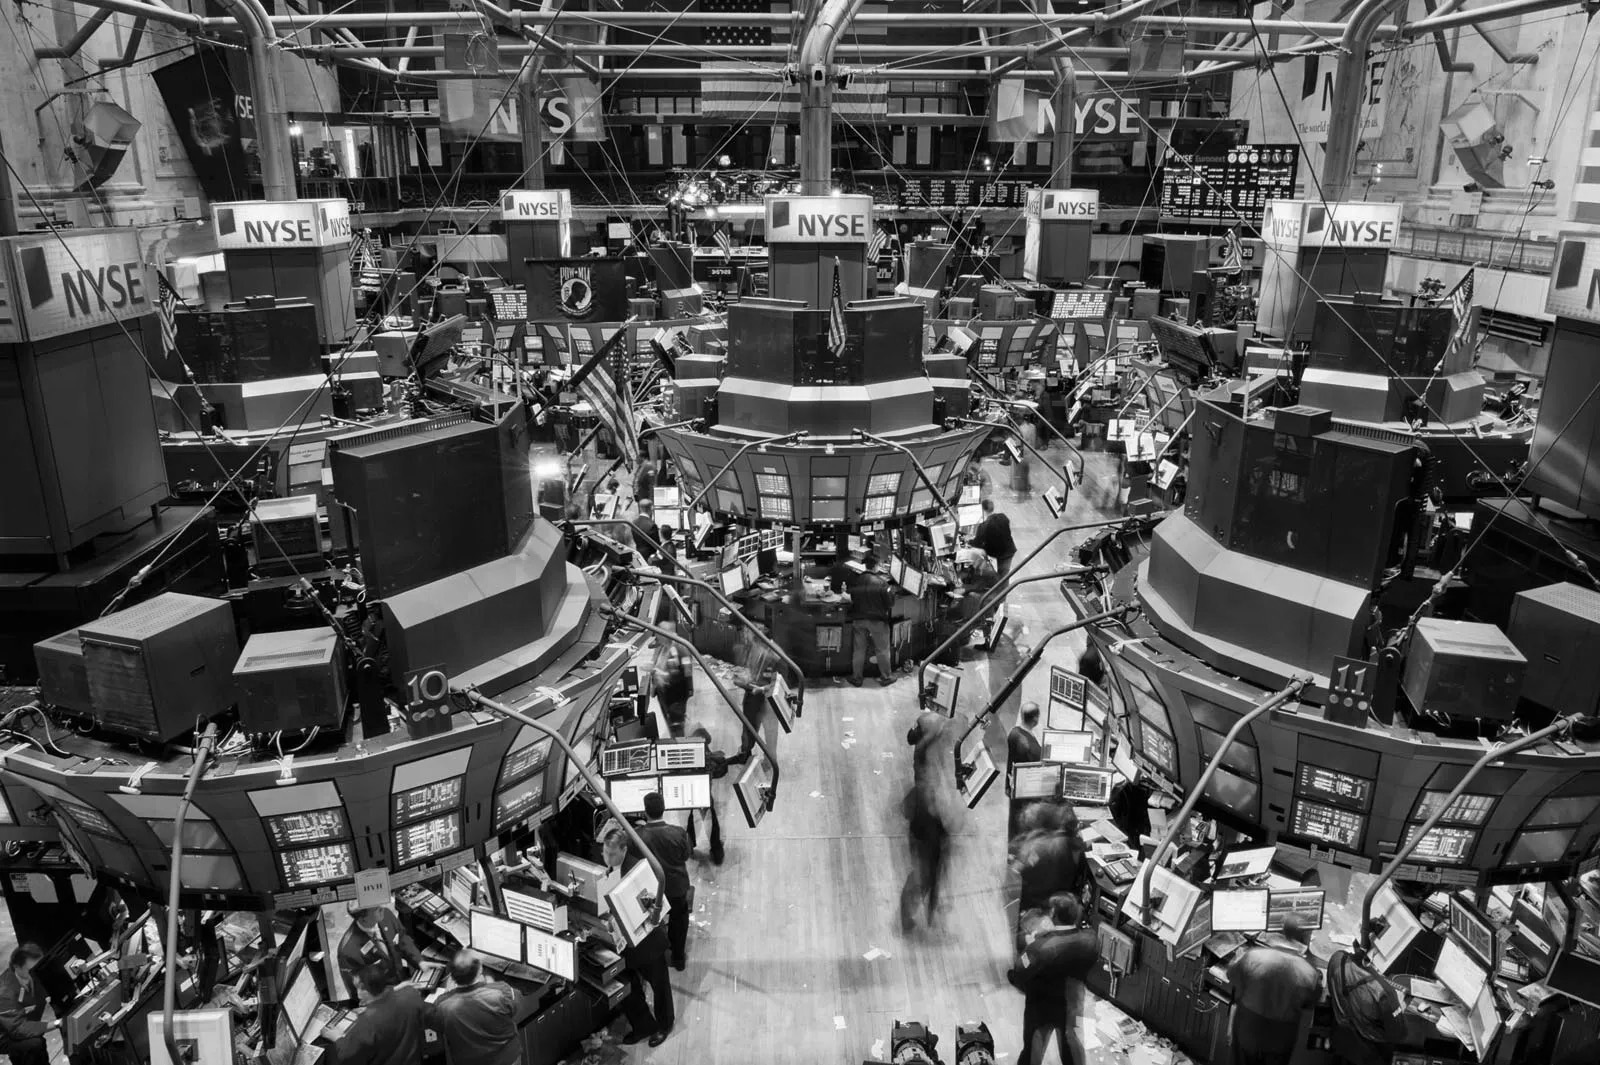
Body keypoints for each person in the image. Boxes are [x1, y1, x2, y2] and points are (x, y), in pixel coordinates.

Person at [602, 829, 674, 1047]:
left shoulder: (639, 870)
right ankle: (643, 1025)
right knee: (628, 988)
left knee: (659, 987)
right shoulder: (608, 867)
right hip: (623, 944)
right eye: (605, 852)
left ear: (624, 849)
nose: (607, 858)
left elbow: (653, 904)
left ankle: (664, 1024)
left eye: (612, 854)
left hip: (648, 943)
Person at [1008, 894, 1100, 1065]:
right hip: (1072, 1004)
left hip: (1040, 1007)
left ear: (1052, 914)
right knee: (1072, 1049)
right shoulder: (1091, 939)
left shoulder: (1038, 948)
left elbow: (1019, 973)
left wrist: (1030, 944)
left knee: (1032, 1052)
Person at [1225, 915, 1323, 1065]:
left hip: (1249, 1027)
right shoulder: (1308, 972)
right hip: (1280, 1038)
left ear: (1280, 931)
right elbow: (1312, 1001)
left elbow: (1232, 975)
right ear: (1304, 937)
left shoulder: (1254, 956)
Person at [427, 950, 522, 1065]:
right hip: (506, 1058)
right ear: (480, 969)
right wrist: (489, 982)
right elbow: (516, 1006)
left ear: (452, 976)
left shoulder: (442, 1005)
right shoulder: (501, 991)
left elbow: (436, 1024)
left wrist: (448, 992)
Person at [636, 792, 694, 971]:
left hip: (652, 891)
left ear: (645, 812)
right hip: (677, 888)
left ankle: (655, 958)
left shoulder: (638, 836)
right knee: (680, 919)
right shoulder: (678, 833)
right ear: (664, 809)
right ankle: (678, 958)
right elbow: (686, 854)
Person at [335, 962, 427, 1065]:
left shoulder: (367, 1022)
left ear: (361, 988)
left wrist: (338, 1038)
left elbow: (346, 1057)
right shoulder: (410, 994)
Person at [338, 902, 422, 990]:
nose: (383, 907)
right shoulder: (348, 952)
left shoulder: (386, 915)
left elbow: (402, 938)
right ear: (363, 919)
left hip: (401, 977)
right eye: (377, 908)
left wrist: (419, 960)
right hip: (383, 996)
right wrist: (395, 990)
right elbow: (361, 990)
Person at [0, 944, 57, 1065]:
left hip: (22, 1022)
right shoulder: (5, 992)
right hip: (5, 1034)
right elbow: (18, 1029)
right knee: (34, 1044)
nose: (38, 972)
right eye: (31, 970)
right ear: (17, 966)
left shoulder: (33, 974)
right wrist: (56, 1024)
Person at [848, 554, 896, 687]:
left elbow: (852, 598)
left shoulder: (856, 580)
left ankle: (857, 678)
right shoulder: (882, 583)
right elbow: (890, 603)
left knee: (859, 649)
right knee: (882, 649)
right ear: (876, 566)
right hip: (877, 621)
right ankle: (886, 677)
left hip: (858, 620)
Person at [1007, 703, 1044, 838]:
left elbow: (1010, 759)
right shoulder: (1033, 749)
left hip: (1014, 789)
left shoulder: (1014, 732)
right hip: (1028, 794)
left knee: (1015, 825)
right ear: (1035, 719)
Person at [652, 623, 693, 733]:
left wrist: (660, 674)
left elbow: (685, 672)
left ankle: (679, 745)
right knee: (670, 724)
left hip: (676, 697)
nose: (656, 637)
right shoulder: (664, 646)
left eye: (658, 634)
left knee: (676, 727)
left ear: (665, 633)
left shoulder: (680, 647)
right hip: (665, 695)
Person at [970, 498, 1017, 578]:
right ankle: (1003, 588)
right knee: (1004, 575)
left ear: (982, 509)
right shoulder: (1003, 517)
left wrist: (969, 541)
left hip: (999, 553)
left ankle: (999, 588)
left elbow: (976, 544)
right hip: (1009, 550)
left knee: (1001, 578)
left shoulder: (983, 526)